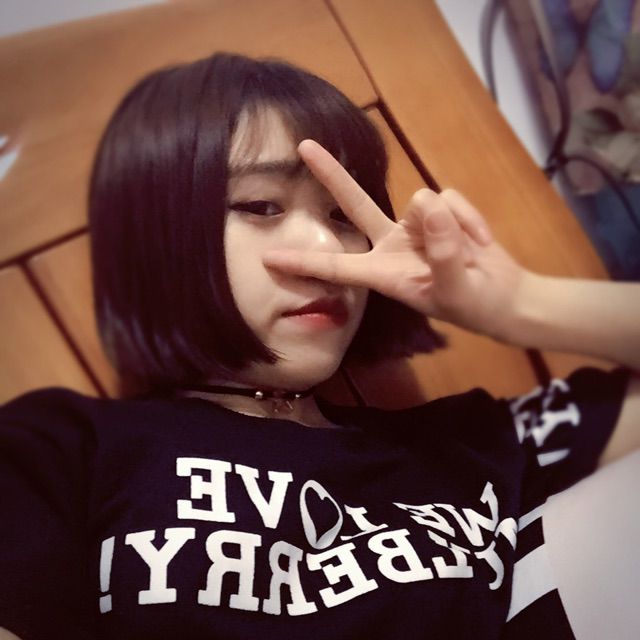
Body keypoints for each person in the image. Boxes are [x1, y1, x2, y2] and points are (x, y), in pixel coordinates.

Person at [0, 52, 637, 640]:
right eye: (261, 205)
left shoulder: (466, 442)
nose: (328, 250)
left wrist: (518, 304)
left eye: (342, 216)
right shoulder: (62, 449)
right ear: (159, 238)